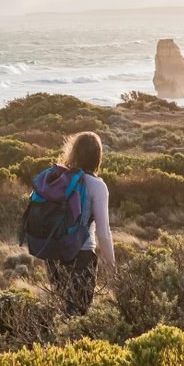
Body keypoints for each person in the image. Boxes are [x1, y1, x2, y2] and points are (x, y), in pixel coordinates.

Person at [48, 130, 115, 317]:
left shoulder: (59, 179)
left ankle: (57, 345)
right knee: (78, 315)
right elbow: (103, 232)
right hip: (82, 255)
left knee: (62, 311)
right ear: (98, 157)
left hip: (54, 256)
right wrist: (112, 268)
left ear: (73, 152)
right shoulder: (96, 185)